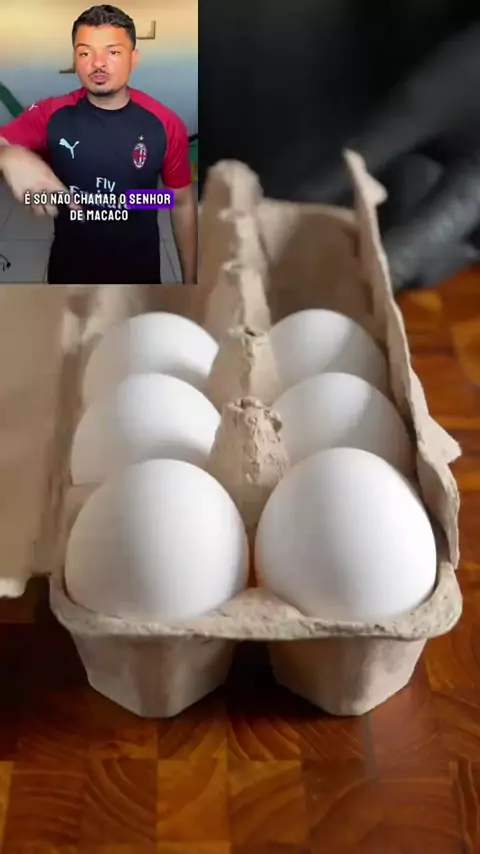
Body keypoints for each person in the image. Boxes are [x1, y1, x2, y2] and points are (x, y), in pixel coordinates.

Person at [0, 4, 197, 284]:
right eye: (85, 53)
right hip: (69, 275)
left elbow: (181, 203)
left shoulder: (165, 124)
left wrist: (190, 282)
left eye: (113, 52)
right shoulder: (50, 114)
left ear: (134, 59)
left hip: (139, 276)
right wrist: (7, 154)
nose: (98, 63)